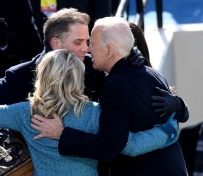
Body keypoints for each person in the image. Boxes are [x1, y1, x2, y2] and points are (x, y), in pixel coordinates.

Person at [0, 8, 187, 175]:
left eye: (89, 42)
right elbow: (128, 144)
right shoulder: (22, 79)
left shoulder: (27, 111)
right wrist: (168, 130)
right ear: (56, 43)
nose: (86, 48)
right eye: (79, 42)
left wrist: (129, 59)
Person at [33, 17, 189, 175]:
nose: (88, 50)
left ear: (109, 50)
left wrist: (61, 134)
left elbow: (108, 148)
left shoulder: (114, 87)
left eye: (92, 44)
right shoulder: (153, 73)